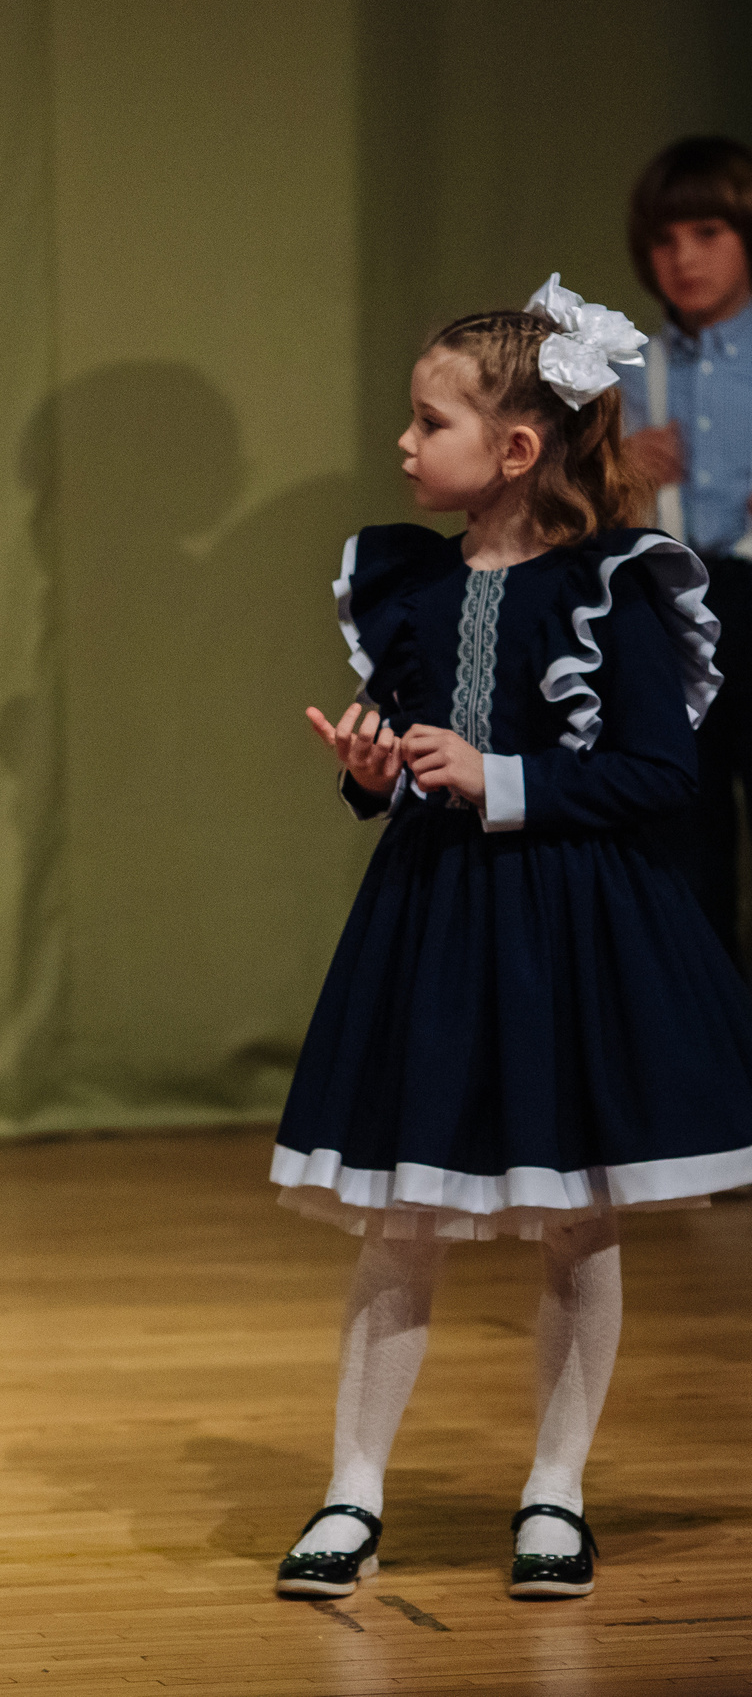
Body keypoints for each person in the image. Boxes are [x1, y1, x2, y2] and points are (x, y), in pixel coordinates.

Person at [274, 279, 752, 1602]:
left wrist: (508, 780)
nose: (406, 445)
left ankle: (556, 1486)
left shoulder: (615, 582)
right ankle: (352, 1485)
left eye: (430, 422)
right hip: (432, 922)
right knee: (401, 1208)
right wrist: (374, 770)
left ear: (518, 447)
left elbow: (661, 770)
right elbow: (404, 769)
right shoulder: (407, 582)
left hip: (569, 929)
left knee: (573, 1218)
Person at [616, 135, 752, 962]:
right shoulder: (630, 370)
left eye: (708, 233)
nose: (684, 259)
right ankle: (712, 1054)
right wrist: (619, 469)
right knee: (685, 830)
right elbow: (574, 514)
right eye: (665, 240)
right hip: (675, 611)